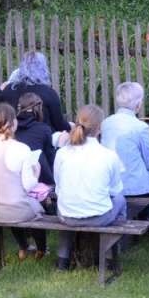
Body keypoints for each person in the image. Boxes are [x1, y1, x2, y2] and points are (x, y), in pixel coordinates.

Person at [53, 104, 126, 271]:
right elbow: (115, 191)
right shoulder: (108, 156)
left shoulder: (62, 153)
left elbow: (58, 187)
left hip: (66, 216)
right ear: (100, 127)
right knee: (121, 200)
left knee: (67, 203)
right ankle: (110, 256)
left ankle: (62, 259)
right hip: (99, 216)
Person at [0, 103, 45, 259]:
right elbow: (28, 185)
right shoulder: (22, 149)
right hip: (14, 209)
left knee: (19, 206)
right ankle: (41, 249)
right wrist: (37, 172)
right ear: (13, 122)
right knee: (38, 210)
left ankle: (23, 247)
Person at [100, 82, 149, 218]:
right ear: (139, 103)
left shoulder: (106, 123)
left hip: (111, 183)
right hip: (133, 186)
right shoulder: (140, 127)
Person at [0, 52, 70, 132]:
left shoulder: (9, 89)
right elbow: (59, 123)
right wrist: (71, 126)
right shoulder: (49, 93)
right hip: (44, 137)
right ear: (44, 68)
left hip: (12, 135)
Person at [13, 93, 57, 186]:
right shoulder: (43, 129)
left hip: (15, 176)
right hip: (40, 176)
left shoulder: (12, 128)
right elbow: (50, 156)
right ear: (38, 109)